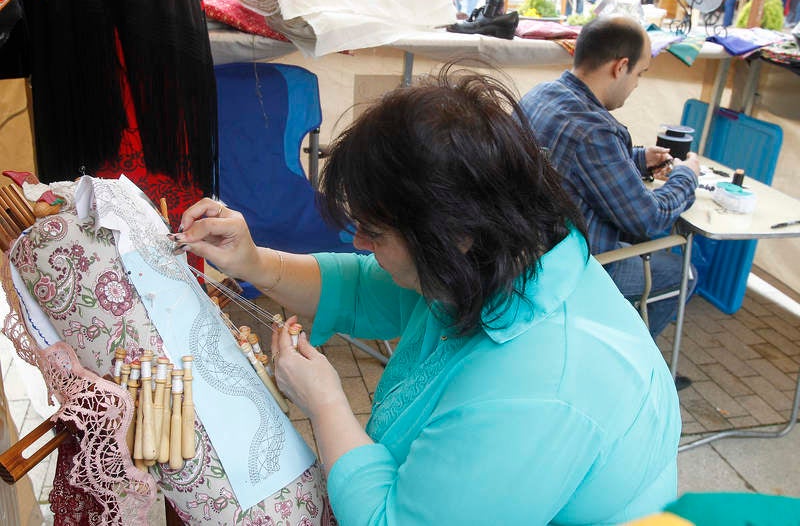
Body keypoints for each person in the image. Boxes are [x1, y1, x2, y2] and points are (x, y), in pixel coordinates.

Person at [175, 65, 681, 524]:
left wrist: (326, 403)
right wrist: (254, 261)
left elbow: (393, 520)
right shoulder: (495, 258)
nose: (360, 245)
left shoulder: (540, 389)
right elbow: (360, 288)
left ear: (449, 233)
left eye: (374, 232)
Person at [521, 16, 700, 385]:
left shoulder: (540, 95)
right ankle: (619, 376)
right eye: (640, 74)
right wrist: (687, 176)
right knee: (683, 271)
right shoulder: (595, 129)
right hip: (576, 265)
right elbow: (648, 218)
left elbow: (570, 160)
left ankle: (602, 347)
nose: (636, 85)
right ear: (620, 67)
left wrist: (636, 158)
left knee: (648, 246)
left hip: (526, 247)